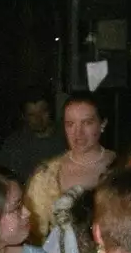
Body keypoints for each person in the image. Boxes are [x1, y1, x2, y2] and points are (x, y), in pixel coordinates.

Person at [25, 92, 113, 244]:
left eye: (87, 123)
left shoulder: (123, 166)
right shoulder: (47, 174)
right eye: (70, 124)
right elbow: (34, 234)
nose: (78, 133)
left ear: (102, 124)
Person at [0, 93, 66, 184]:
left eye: (43, 112)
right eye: (31, 115)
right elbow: (3, 179)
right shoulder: (12, 145)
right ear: (23, 116)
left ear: (50, 111)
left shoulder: (67, 137)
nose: (38, 119)